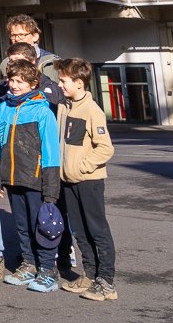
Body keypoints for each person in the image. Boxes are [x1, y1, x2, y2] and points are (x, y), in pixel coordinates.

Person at [0, 60, 63, 293]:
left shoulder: (43, 111)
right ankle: (29, 264)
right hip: (12, 178)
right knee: (21, 225)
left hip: (36, 180)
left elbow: (52, 152)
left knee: (40, 225)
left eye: (20, 82)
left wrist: (51, 191)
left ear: (34, 83)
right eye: (11, 80)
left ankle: (47, 270)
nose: (14, 85)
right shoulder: (3, 108)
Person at [56, 58, 118, 302]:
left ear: (79, 83)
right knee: (80, 231)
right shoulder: (64, 107)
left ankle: (107, 281)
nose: (60, 85)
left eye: (64, 81)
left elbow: (105, 148)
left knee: (97, 230)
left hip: (88, 181)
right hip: (68, 181)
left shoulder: (92, 111)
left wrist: (81, 166)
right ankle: (89, 274)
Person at [3, 14, 61, 81]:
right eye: (13, 35)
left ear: (35, 37)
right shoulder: (5, 63)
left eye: (21, 35)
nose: (16, 39)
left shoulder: (49, 62)